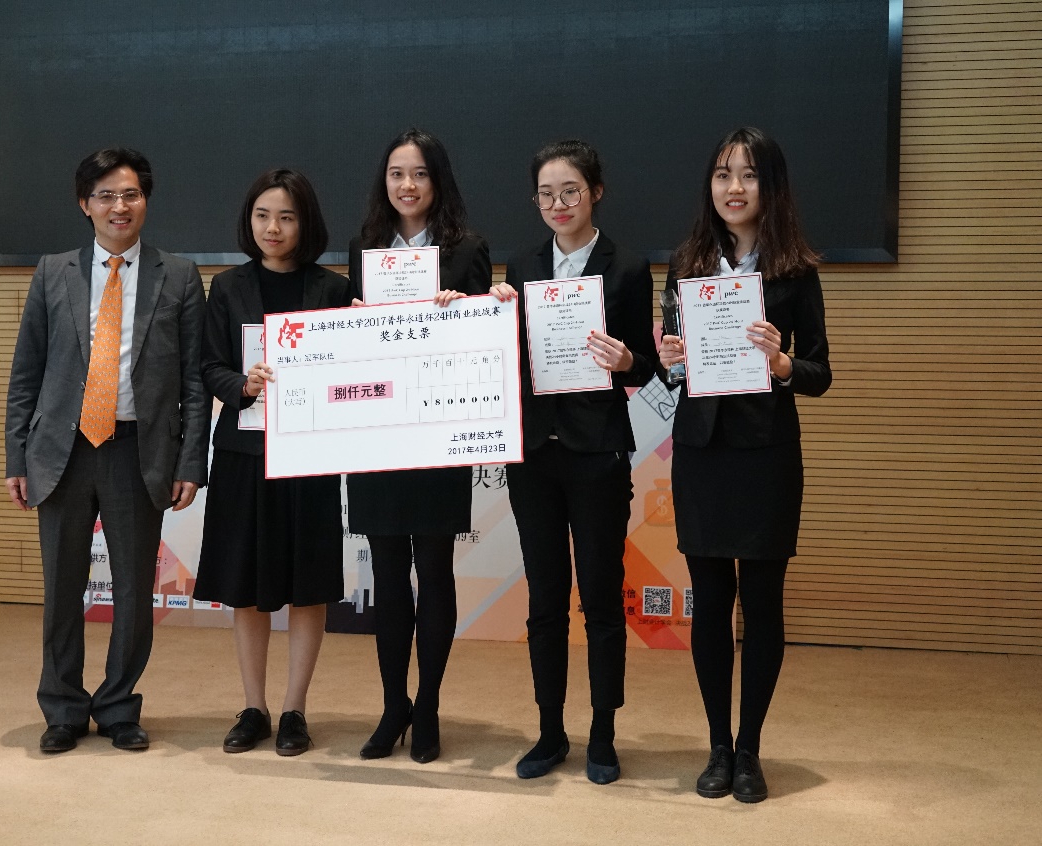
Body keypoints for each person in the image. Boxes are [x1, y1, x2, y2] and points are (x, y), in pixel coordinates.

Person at [4, 147, 210, 753]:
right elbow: (26, 372)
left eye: (131, 194)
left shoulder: (179, 276)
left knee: (133, 593)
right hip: (61, 453)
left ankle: (119, 705)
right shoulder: (54, 272)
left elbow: (195, 384)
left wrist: (190, 462)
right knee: (62, 591)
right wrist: (16, 456)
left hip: (136, 452)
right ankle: (63, 708)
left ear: (145, 200)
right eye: (106, 196)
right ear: (85, 205)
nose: (120, 206)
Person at [658, 126, 831, 803]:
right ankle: (717, 747)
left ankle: (750, 748)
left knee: (761, 603)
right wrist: (670, 362)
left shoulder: (795, 269)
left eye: (749, 175)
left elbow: (819, 372)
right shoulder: (686, 263)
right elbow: (672, 368)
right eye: (722, 174)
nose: (734, 188)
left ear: (770, 186)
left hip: (766, 455)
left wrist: (783, 362)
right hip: (701, 452)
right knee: (709, 603)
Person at [490, 139, 656, 784]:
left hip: (597, 453)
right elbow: (508, 353)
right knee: (545, 600)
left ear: (595, 192)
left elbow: (645, 365)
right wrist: (492, 315)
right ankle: (550, 731)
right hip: (534, 453)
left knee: (601, 599)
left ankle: (603, 733)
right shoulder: (523, 265)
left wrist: (627, 361)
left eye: (570, 191)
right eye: (546, 194)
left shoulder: (627, 267)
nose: (558, 204)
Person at [344, 128, 493, 764]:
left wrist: (464, 313)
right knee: (385, 574)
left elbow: (488, 345)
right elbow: (351, 349)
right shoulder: (365, 248)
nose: (407, 186)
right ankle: (392, 705)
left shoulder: (468, 250)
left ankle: (427, 705)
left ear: (439, 181)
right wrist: (352, 324)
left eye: (420, 174)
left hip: (438, 433)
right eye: (397, 174)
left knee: (433, 572)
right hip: (379, 433)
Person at [193, 168, 349, 756]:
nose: (273, 227)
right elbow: (209, 365)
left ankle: (294, 709)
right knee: (246, 586)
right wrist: (243, 383)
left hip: (308, 456)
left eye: (286, 216)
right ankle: (254, 707)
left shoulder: (332, 290)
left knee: (308, 586)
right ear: (249, 221)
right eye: (263, 215)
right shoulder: (228, 287)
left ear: (305, 223)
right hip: (243, 455)